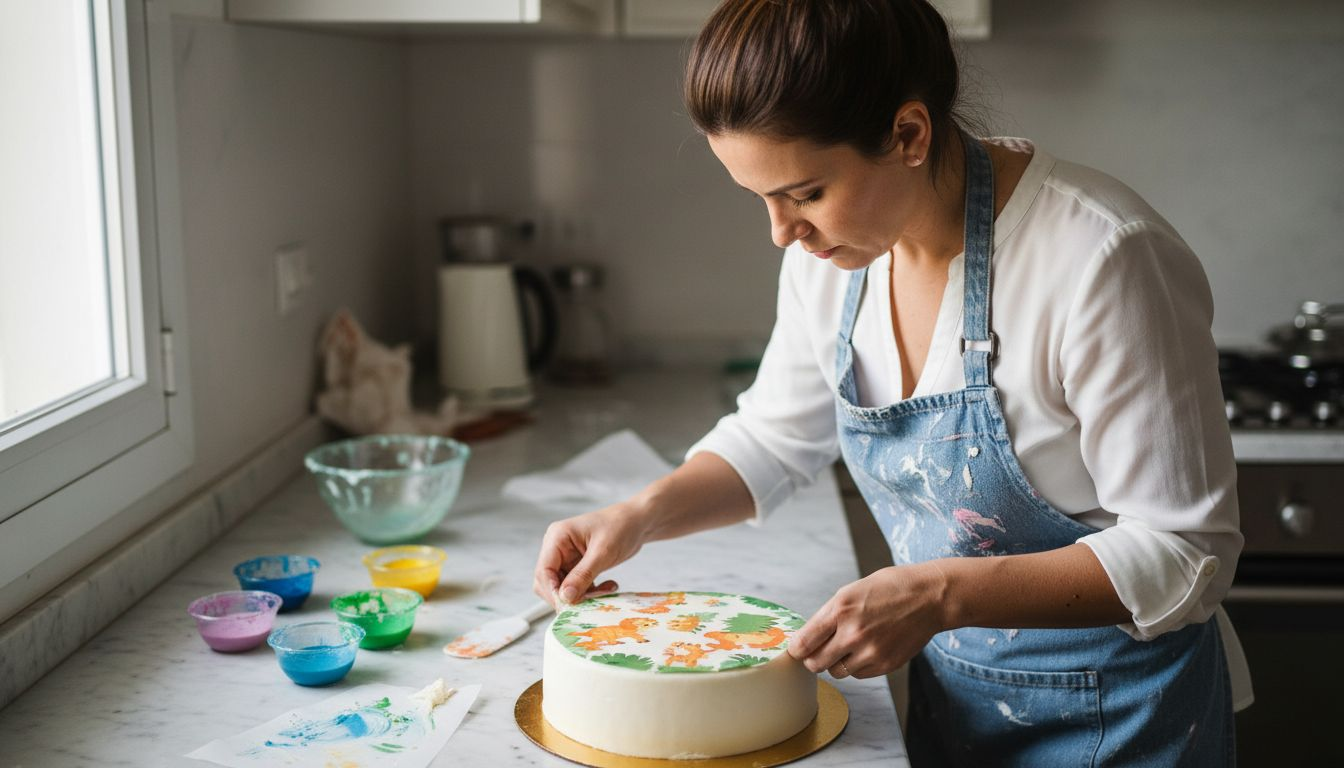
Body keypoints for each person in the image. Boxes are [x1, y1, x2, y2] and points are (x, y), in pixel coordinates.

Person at [532, 1, 1251, 764]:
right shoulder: (834, 261)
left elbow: (1184, 552)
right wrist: (639, 517)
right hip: (959, 705)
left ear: (909, 134)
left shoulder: (1101, 259)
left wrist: (939, 594)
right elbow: (776, 435)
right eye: (762, 198)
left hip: (1128, 721)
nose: (783, 232)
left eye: (805, 193)